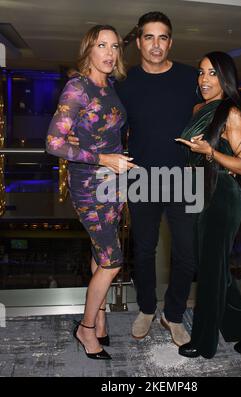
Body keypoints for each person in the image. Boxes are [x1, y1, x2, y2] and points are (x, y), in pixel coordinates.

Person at [68, 12, 199, 347]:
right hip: (138, 176)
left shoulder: (190, 77)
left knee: (187, 252)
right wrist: (76, 139)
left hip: (184, 176)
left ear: (171, 42)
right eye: (149, 37)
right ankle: (145, 308)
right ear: (139, 42)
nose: (156, 45)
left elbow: (214, 109)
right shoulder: (123, 83)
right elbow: (97, 115)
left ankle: (172, 314)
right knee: (143, 250)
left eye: (163, 37)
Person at [46, 24, 136, 360]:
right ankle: (85, 328)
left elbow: (102, 129)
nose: (110, 53)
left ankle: (99, 319)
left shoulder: (108, 84)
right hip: (88, 186)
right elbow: (53, 143)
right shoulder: (77, 88)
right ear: (89, 50)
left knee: (100, 251)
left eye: (115, 47)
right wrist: (101, 157)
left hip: (114, 184)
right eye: (102, 45)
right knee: (112, 260)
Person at [176, 51, 241, 359]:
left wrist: (210, 153)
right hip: (197, 194)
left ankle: (203, 343)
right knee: (214, 269)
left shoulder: (232, 114)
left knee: (210, 273)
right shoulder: (197, 108)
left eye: (212, 73)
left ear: (225, 78)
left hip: (222, 197)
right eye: (201, 72)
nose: (204, 79)